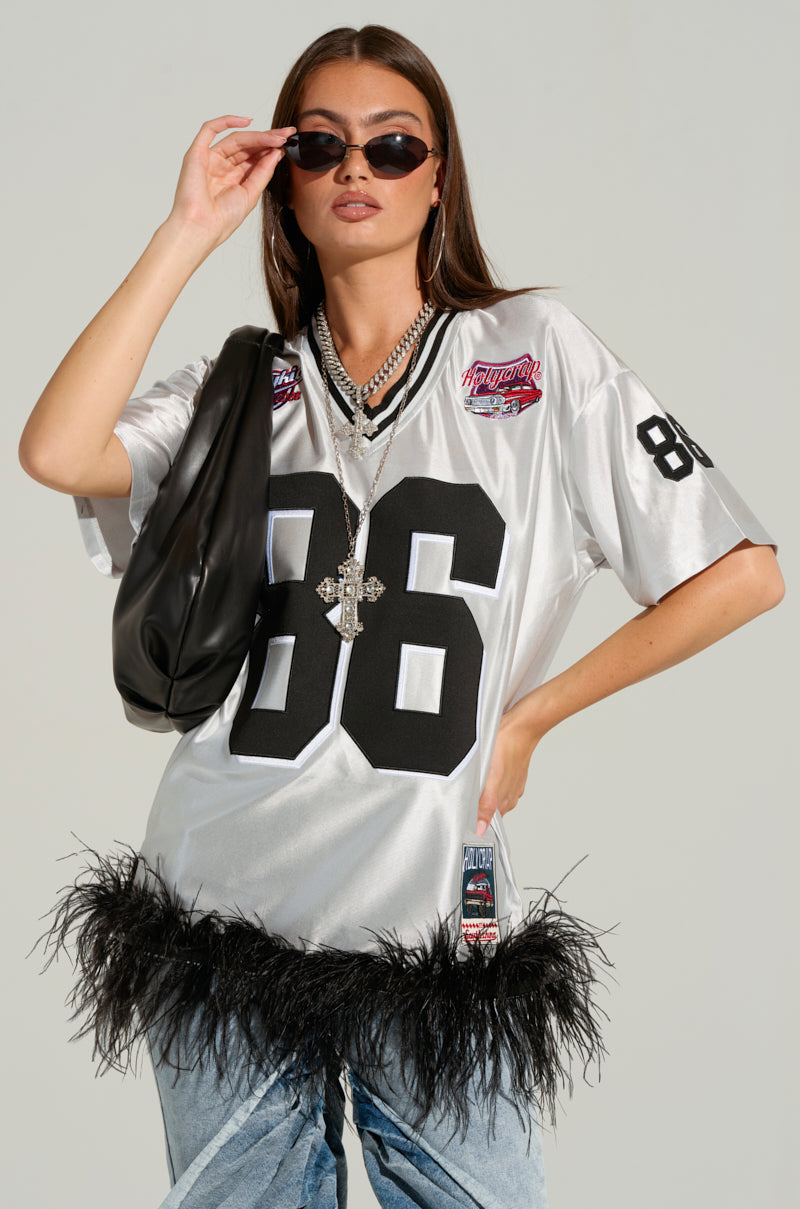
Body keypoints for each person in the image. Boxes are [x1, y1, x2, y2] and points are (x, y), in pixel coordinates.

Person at [19, 23, 783, 1209]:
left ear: (438, 177)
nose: (354, 170)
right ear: (285, 182)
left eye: (391, 146)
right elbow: (57, 451)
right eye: (318, 147)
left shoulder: (534, 357)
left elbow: (739, 571)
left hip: (428, 914)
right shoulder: (241, 388)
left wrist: (531, 716)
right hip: (219, 892)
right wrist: (187, 232)